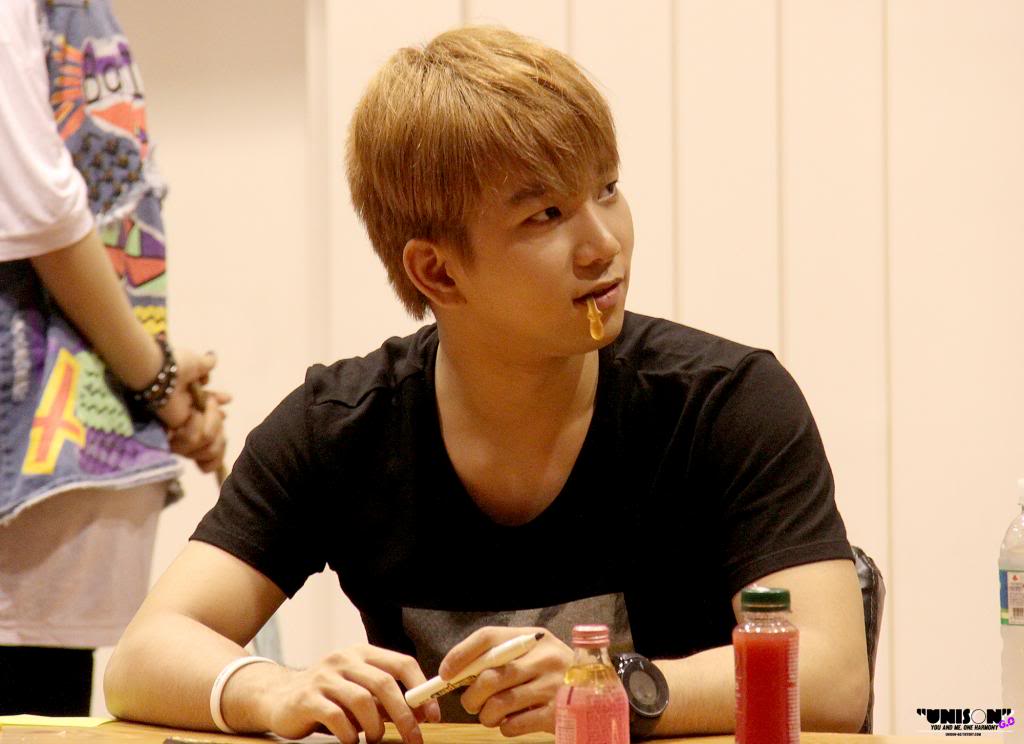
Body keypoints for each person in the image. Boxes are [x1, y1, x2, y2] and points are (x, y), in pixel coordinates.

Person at [105, 25, 869, 743]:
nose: (604, 243)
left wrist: (616, 688)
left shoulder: (725, 400)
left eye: (607, 188)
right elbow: (143, 657)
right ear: (437, 271)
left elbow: (834, 677)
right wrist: (272, 689)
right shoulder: (338, 426)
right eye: (547, 213)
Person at [0, 0, 229, 715]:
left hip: (59, 461)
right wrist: (158, 381)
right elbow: (40, 210)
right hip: (28, 474)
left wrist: (160, 379)